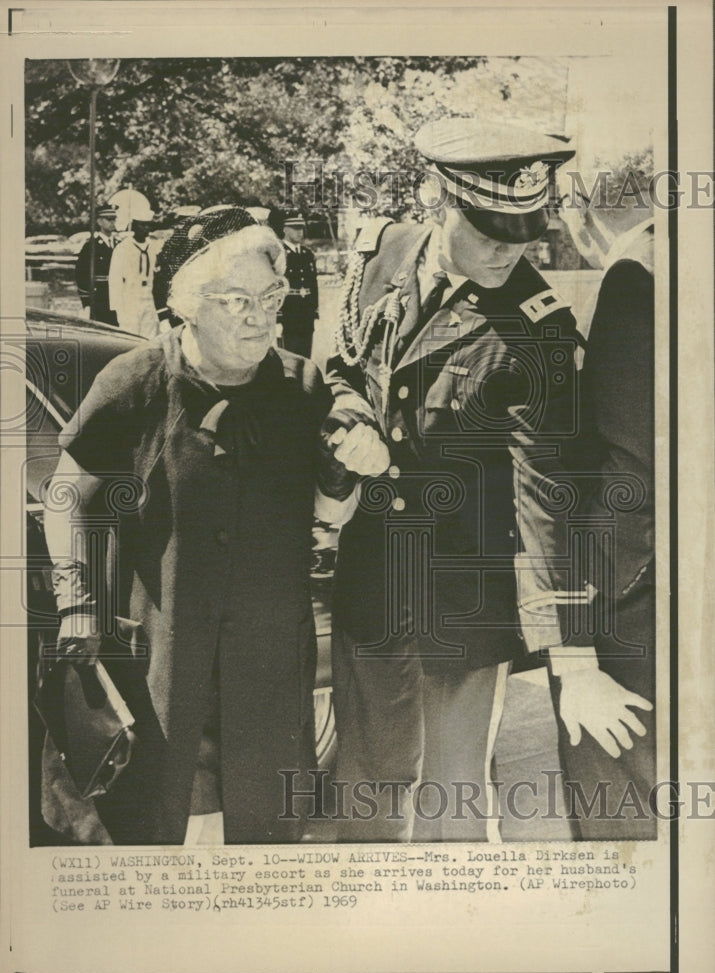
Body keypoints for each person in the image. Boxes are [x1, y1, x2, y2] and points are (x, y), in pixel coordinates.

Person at [41, 207, 373, 846]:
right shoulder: (135, 381)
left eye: (272, 297)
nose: (261, 316)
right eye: (237, 300)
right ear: (186, 305)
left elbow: (330, 516)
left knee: (264, 851)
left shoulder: (302, 387)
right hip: (162, 681)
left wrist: (342, 474)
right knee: (165, 847)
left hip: (269, 682)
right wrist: (75, 603)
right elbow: (65, 494)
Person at [323, 117, 595, 842]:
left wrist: (570, 646)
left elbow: (546, 498)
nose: (510, 251)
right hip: (370, 575)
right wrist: (352, 421)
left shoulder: (539, 333)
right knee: (364, 788)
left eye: (524, 235)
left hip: (461, 597)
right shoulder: (384, 251)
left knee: (453, 800)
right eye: (488, 232)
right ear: (436, 200)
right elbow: (344, 364)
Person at [542, 166, 656, 839]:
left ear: (582, 222)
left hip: (632, 606)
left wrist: (589, 611)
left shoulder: (633, 276)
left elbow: (627, 464)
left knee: (619, 802)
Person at [270, 210, 319, 358]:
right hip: (288, 313)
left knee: (305, 357)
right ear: (285, 229)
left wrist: (314, 310)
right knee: (289, 358)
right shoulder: (279, 254)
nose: (300, 232)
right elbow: (275, 285)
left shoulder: (307, 254)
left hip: (306, 314)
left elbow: (313, 284)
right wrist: (277, 316)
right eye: (295, 229)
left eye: (301, 228)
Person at [108, 206, 160, 337]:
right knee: (130, 336)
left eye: (148, 225)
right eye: (142, 225)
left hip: (149, 298)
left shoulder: (153, 247)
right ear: (134, 226)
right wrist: (116, 307)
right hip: (129, 299)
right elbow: (115, 279)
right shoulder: (123, 248)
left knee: (149, 336)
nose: (146, 229)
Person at [74, 203, 117, 325]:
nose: (112, 222)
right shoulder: (91, 246)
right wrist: (87, 301)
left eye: (114, 219)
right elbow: (81, 274)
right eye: (109, 219)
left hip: (117, 296)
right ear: (99, 222)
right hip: (99, 297)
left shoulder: (119, 245)